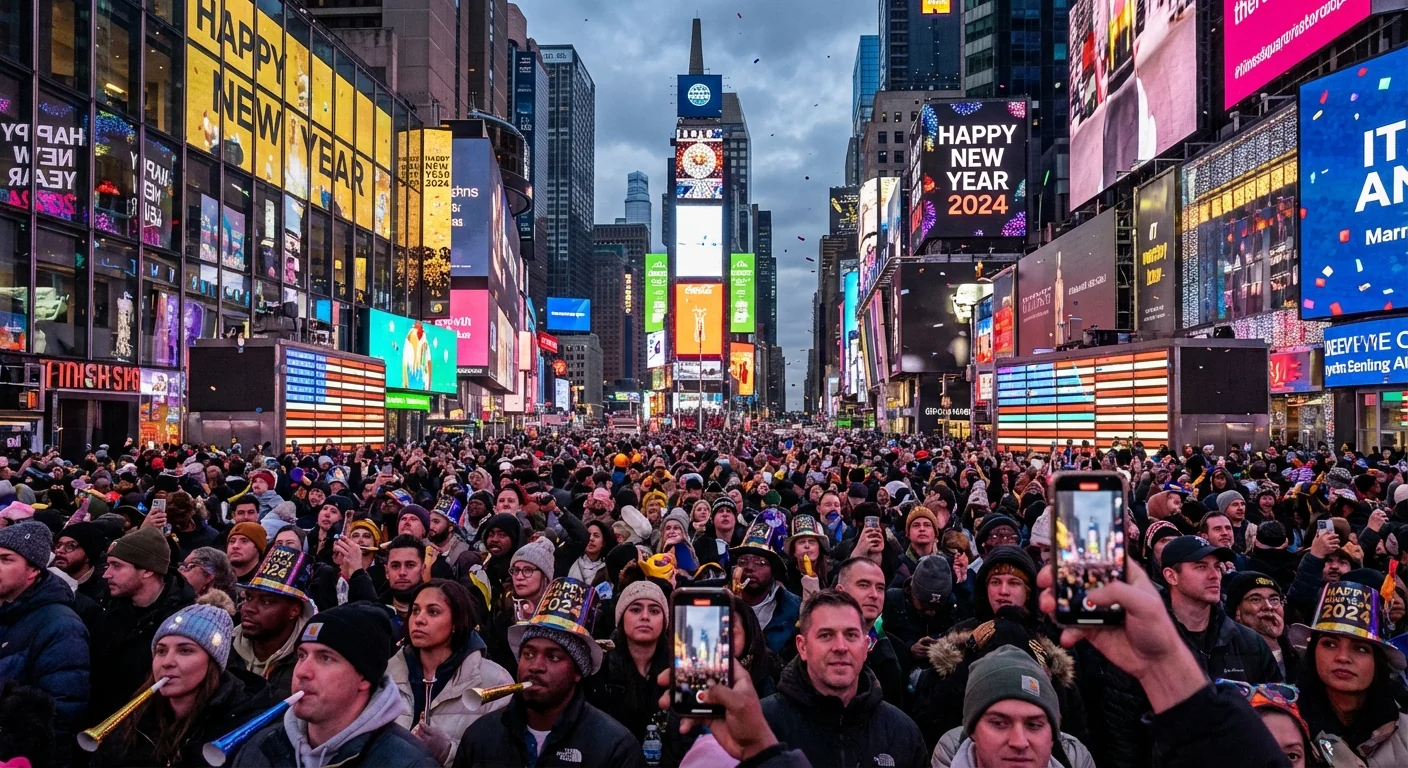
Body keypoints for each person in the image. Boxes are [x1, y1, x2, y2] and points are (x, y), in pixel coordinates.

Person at [455, 578, 644, 767]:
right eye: (528, 654)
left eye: (553, 657)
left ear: (578, 672)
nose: (536, 666)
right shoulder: (480, 738)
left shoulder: (614, 748)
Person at [231, 602, 438, 767]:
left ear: (364, 678)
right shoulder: (260, 747)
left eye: (326, 658)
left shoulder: (409, 762)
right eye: (302, 655)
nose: (302, 672)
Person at [759, 589, 928, 768]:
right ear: (802, 647)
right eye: (826, 635)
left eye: (851, 635)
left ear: (866, 646)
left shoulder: (901, 733)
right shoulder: (763, 726)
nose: (840, 647)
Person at [94, 604, 273, 767]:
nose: (167, 662)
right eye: (161, 651)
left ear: (212, 663)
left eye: (185, 650)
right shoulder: (137, 717)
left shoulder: (242, 727)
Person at [387, 580, 514, 766]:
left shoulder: (495, 682)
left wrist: (447, 752)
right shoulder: (386, 675)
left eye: (433, 612)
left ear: (456, 622)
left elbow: (501, 758)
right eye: (415, 610)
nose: (419, 619)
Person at [1289, 574, 1408, 766]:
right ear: (1312, 652)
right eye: (1329, 644)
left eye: (1361, 648)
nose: (1343, 657)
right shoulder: (1284, 726)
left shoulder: (1404, 731)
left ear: (1378, 661)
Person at [0, 521, 89, 763]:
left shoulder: (62, 627)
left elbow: (60, 713)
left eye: (6, 559)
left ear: (33, 571)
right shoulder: (6, 610)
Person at [930, 645, 1096, 768]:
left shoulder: (1078, 759)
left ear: (1053, 735)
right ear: (972, 730)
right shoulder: (946, 753)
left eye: (1034, 725)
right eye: (999, 723)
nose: (1019, 742)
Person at [90, 526, 195, 722]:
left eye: (117, 566)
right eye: (108, 565)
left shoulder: (185, 622)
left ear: (147, 571)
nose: (106, 574)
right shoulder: (108, 609)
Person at [1159, 535, 1280, 683]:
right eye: (1201, 567)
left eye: (1217, 566)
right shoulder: (1143, 640)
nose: (1214, 575)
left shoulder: (1250, 643)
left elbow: (1275, 695)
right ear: (1171, 576)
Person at [585, 580, 671, 746]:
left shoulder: (677, 672)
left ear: (664, 621)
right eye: (635, 610)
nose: (645, 616)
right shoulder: (599, 671)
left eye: (654, 611)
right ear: (621, 617)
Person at [230, 545, 316, 699]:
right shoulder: (224, 649)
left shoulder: (310, 665)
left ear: (294, 611)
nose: (248, 608)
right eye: (248, 597)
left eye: (266, 601)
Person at [833, 557, 905, 706]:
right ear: (840, 591)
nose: (874, 595)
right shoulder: (818, 645)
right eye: (863, 585)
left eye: (880, 588)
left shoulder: (898, 651)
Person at [730, 519, 802, 654]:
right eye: (743, 562)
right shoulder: (721, 603)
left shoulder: (794, 609)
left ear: (774, 572)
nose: (749, 568)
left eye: (761, 563)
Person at [1227, 571, 1297, 681]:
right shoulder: (1224, 657)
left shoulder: (1300, 653)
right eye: (1255, 599)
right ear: (1237, 610)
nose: (1268, 606)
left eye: (1274, 600)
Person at [51, 521, 110, 602]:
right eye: (59, 545)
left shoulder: (102, 591)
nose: (59, 550)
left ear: (88, 556)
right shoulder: (46, 580)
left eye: (70, 546)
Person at [227, 521, 268, 586]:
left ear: (258, 547)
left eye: (244, 541)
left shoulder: (266, 583)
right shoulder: (216, 578)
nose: (235, 546)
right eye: (232, 541)